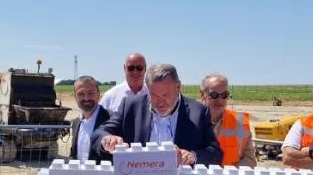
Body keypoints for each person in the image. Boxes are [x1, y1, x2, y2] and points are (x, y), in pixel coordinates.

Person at [92, 63, 223, 167]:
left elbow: (215, 153)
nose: (160, 102)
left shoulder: (198, 112)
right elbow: (99, 133)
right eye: (154, 95)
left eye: (166, 95)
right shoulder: (131, 107)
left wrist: (192, 156)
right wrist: (107, 140)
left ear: (178, 87)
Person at [200, 72, 256, 168]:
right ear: (202, 94)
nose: (220, 100)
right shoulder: (189, 120)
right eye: (214, 95)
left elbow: (249, 159)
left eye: (224, 95)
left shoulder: (241, 122)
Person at [69, 75, 111, 162]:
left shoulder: (111, 119)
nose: (86, 98)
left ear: (99, 94)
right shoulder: (76, 123)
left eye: (91, 93)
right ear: (75, 97)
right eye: (81, 94)